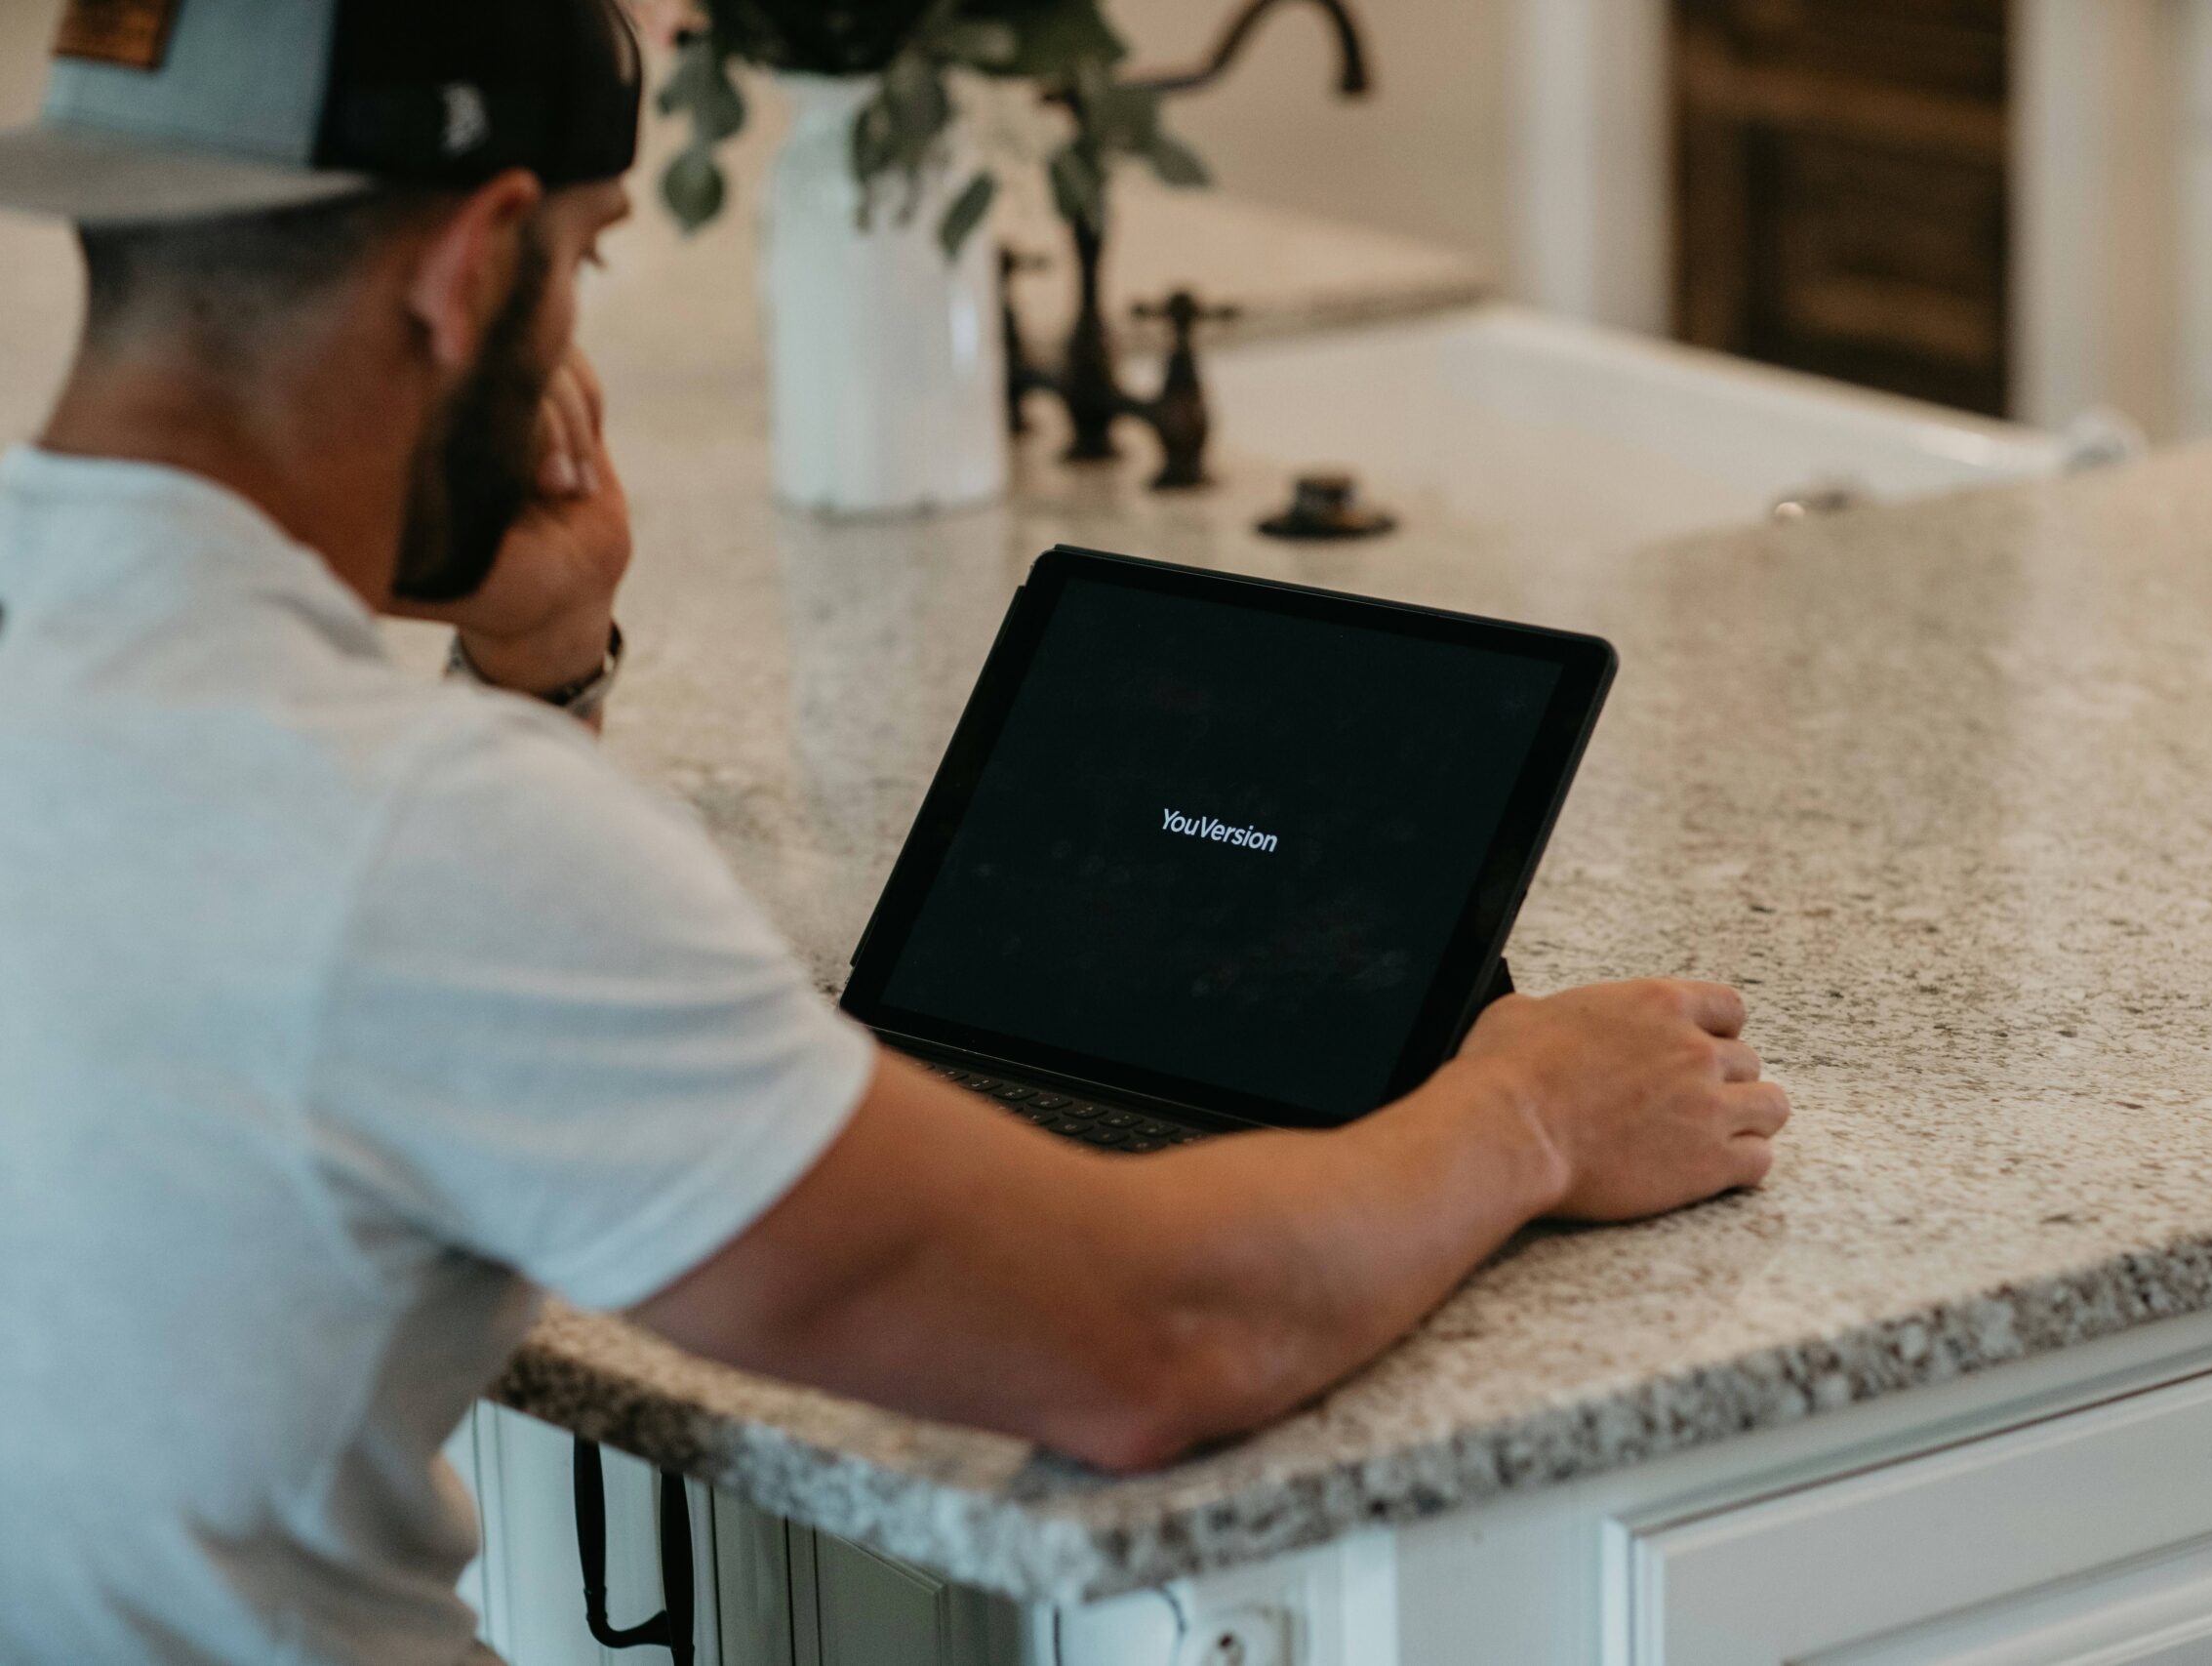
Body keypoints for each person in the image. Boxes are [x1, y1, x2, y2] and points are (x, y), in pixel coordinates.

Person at [0, 2, 1790, 1661]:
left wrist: (535, 670)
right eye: (586, 261)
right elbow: (1151, 1339)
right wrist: (1533, 1105)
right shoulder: (416, 841)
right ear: (473, 269)